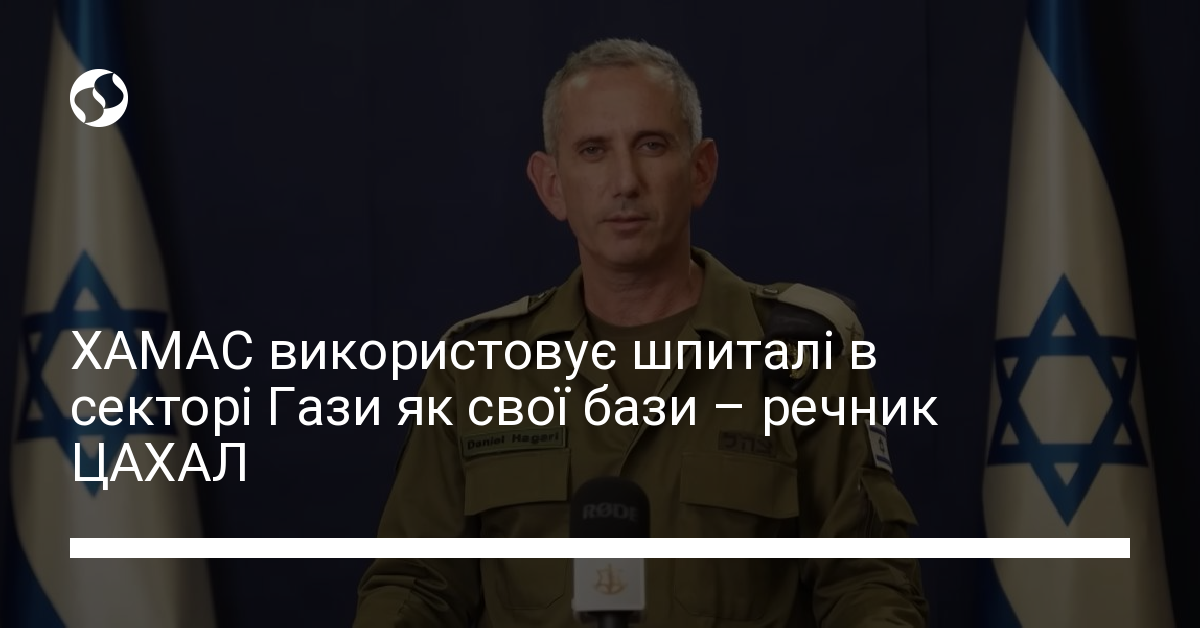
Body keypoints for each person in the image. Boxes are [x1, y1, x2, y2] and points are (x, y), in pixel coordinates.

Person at [352, 38, 928, 628]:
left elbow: (865, 582)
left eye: (651, 145)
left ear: (700, 170)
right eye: (593, 150)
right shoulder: (478, 366)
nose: (625, 181)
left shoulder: (802, 352)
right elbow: (417, 584)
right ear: (551, 184)